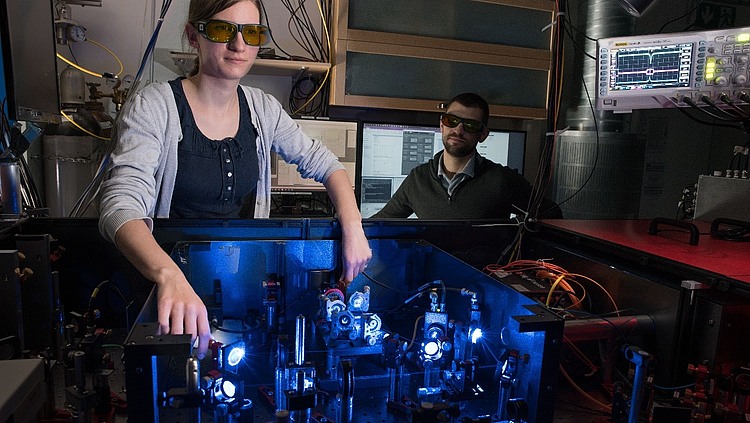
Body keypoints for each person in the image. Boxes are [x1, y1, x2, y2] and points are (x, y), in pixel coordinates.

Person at [98, 0, 371, 359]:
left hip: (237, 292)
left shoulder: (263, 108)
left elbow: (326, 164)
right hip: (165, 293)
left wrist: (352, 225)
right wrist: (168, 276)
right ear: (193, 35)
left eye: (252, 33)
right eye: (223, 30)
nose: (239, 45)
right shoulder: (155, 106)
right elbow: (119, 207)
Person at [372, 93, 561, 219]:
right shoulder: (419, 179)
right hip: (432, 276)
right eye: (451, 121)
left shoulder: (502, 181)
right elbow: (380, 223)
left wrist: (513, 235)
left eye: (470, 125)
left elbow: (551, 214)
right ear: (441, 126)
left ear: (483, 135)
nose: (458, 130)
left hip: (484, 276)